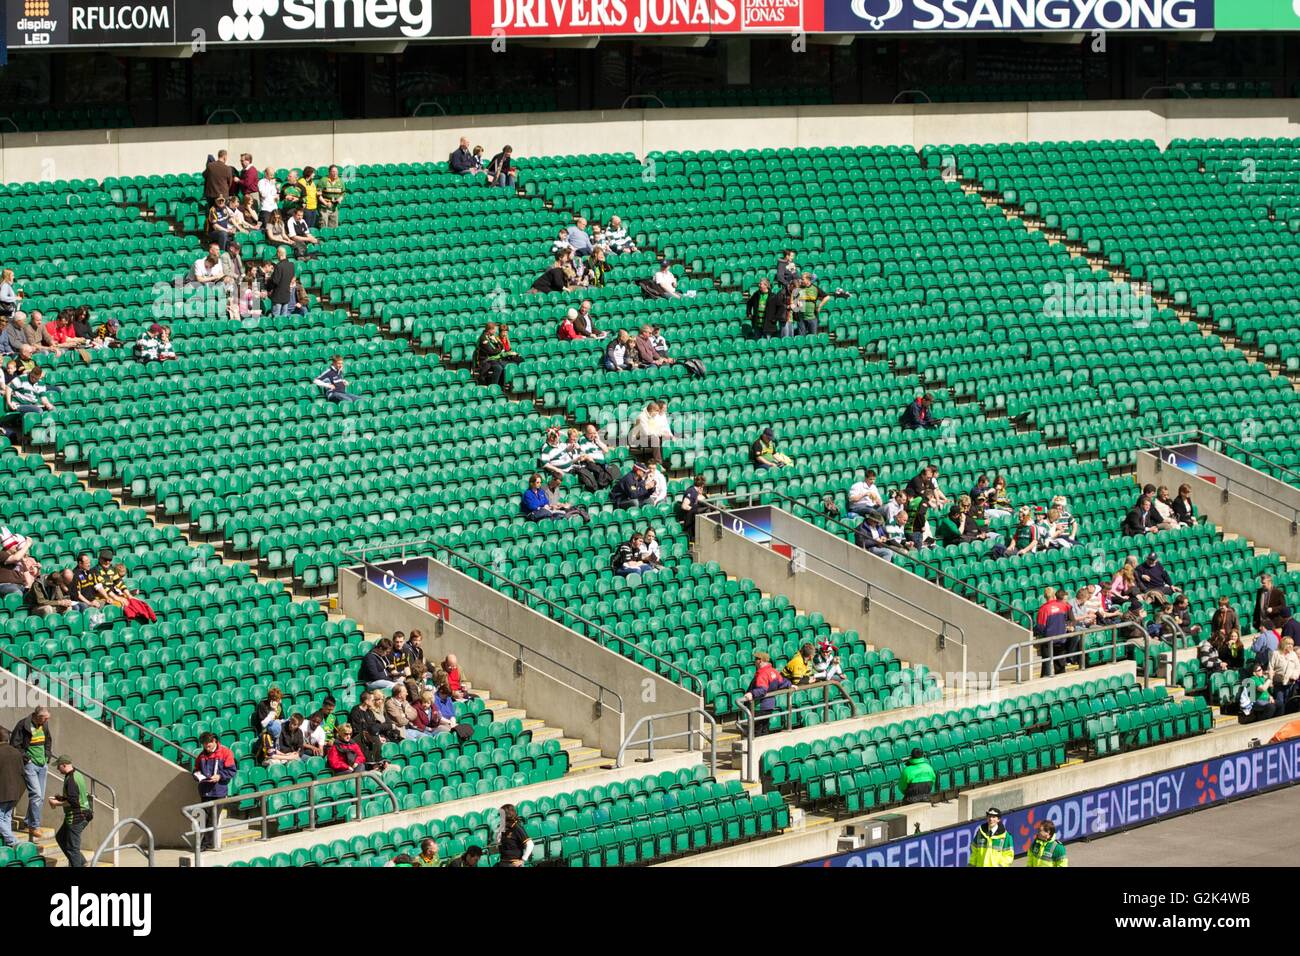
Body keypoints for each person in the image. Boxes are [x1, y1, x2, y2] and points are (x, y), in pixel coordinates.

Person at [10, 707, 51, 839]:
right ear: (37, 716)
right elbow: (15, 744)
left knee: (40, 797)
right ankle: (34, 826)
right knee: (36, 795)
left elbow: (48, 740)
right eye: (44, 718)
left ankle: (28, 821)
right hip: (30, 765)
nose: (46, 721)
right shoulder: (23, 725)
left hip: (42, 764)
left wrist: (47, 755)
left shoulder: (44, 724)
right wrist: (26, 758)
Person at [193, 732, 236, 850]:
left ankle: (206, 844)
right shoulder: (201, 756)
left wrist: (220, 776)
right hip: (205, 790)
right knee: (204, 817)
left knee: (213, 818)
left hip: (219, 791)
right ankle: (203, 843)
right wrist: (197, 775)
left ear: (215, 741)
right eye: (204, 744)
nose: (207, 746)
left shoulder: (225, 752)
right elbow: (196, 770)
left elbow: (232, 771)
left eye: (209, 743)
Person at [48, 756, 91, 868]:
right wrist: (61, 798)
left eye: (58, 766)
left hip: (76, 817)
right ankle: (81, 862)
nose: (57, 769)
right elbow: (75, 796)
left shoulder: (71, 779)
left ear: (64, 765)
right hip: (82, 814)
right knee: (61, 837)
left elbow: (73, 802)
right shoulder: (77, 774)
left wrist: (56, 803)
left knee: (72, 848)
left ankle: (78, 864)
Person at [739, 652, 792, 736]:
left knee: (757, 729)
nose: (754, 661)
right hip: (769, 705)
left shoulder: (762, 673)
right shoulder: (773, 671)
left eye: (755, 659)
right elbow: (782, 682)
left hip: (759, 706)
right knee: (765, 727)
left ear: (760, 661)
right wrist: (790, 684)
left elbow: (762, 689)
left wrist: (752, 694)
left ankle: (756, 748)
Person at [1035, 587, 1073, 677]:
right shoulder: (1063, 605)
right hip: (1061, 639)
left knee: (1046, 664)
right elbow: (1070, 619)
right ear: (1054, 595)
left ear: (1045, 596)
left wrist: (1034, 632)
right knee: (1060, 665)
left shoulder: (1043, 609)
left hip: (1048, 640)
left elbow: (1041, 627)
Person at [0, 727, 22, 849]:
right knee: (6, 817)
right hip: (14, 793)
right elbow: (22, 772)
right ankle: (9, 844)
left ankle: (13, 842)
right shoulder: (17, 752)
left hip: (2, 792)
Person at [1268, 637, 1300, 713]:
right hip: (1278, 683)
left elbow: (1297, 668)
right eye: (1288, 644)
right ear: (1283, 644)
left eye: (1292, 644)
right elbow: (1270, 667)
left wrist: (1294, 676)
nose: (1290, 646)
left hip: (1290, 682)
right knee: (1280, 702)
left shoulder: (1293, 655)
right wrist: (1270, 680)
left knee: (1288, 701)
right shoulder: (1276, 653)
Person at [677, 474, 709, 543]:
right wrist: (694, 509)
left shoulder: (695, 491)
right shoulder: (691, 491)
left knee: (708, 507)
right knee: (707, 509)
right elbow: (684, 506)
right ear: (701, 486)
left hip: (693, 515)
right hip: (689, 517)